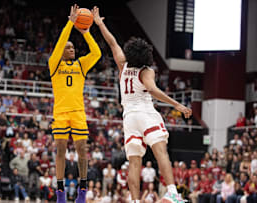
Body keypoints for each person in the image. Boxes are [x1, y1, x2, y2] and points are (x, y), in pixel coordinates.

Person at [92, 6, 192, 203]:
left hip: (129, 118)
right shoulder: (146, 71)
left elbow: (112, 42)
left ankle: (135, 200)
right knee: (160, 150)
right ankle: (172, 193)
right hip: (145, 113)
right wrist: (176, 105)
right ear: (146, 55)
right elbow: (153, 91)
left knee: (134, 163)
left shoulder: (122, 64)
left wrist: (100, 23)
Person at [49, 4, 101, 203]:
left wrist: (86, 33)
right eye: (68, 47)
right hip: (61, 113)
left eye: (72, 47)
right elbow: (61, 42)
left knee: (82, 151)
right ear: (61, 51)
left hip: (78, 112)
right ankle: (60, 192)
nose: (71, 49)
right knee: (61, 149)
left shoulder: (80, 65)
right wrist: (69, 25)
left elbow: (96, 53)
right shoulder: (54, 64)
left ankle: (82, 190)